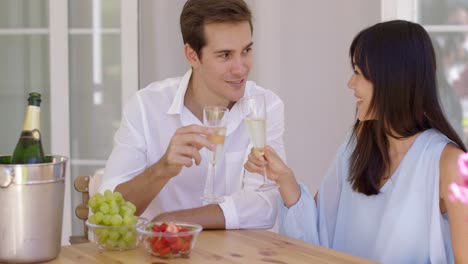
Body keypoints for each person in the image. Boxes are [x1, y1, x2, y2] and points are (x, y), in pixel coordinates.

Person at [245, 20, 468, 263]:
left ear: (391, 80)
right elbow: (314, 236)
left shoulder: (449, 165)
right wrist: (283, 178)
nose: (350, 84)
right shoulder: (357, 146)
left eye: (358, 74)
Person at [99, 0, 285, 230]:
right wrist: (162, 170)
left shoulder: (266, 106)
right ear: (192, 55)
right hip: (163, 255)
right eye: (225, 55)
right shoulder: (146, 106)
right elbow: (107, 209)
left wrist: (170, 222)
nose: (240, 68)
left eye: (246, 51)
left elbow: (265, 205)